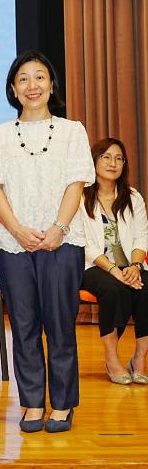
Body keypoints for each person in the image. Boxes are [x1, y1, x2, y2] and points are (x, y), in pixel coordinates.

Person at [0, 50, 94, 433]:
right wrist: (17, 230)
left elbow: (77, 182)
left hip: (63, 240)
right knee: (24, 325)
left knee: (60, 325)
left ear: (51, 84)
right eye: (23, 79)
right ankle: (31, 403)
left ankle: (62, 404)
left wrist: (58, 228)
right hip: (13, 242)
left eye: (39, 77)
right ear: (13, 88)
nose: (32, 85)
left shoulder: (72, 130)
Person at [79, 137, 148, 385]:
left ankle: (139, 359)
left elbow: (141, 236)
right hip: (93, 265)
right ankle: (111, 359)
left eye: (119, 158)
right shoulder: (80, 197)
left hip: (130, 265)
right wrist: (112, 270)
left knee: (146, 287)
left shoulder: (133, 197)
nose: (113, 163)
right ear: (94, 161)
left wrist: (135, 266)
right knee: (113, 287)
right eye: (106, 157)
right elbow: (83, 242)